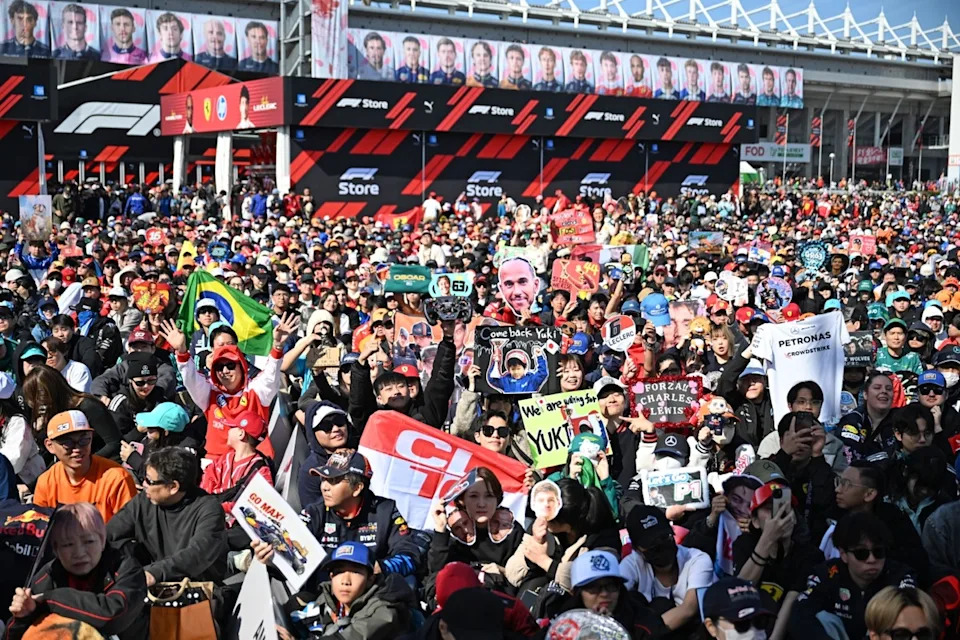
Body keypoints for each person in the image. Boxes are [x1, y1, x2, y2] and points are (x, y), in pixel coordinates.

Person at [160, 314, 296, 461]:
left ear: (241, 365)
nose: (225, 371)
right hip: (216, 462)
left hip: (252, 462)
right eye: (219, 367)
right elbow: (190, 378)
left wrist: (278, 346)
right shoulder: (208, 392)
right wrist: (181, 351)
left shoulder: (256, 389)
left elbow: (271, 374)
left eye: (230, 365)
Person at [6, 503, 148, 640]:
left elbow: (112, 615)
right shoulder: (46, 578)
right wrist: (23, 617)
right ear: (56, 549)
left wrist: (50, 599)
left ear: (103, 541)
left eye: (89, 542)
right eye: (68, 545)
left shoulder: (126, 569)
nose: (79, 553)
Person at [107, 446, 227, 585]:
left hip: (195, 587)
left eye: (150, 481)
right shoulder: (144, 501)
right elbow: (110, 534)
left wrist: (154, 573)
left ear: (172, 487)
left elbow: (197, 554)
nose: (144, 484)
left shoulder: (209, 509)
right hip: (153, 581)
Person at [791, 512, 916, 640]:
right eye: (861, 553)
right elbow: (800, 616)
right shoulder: (827, 573)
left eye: (878, 551)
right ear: (843, 554)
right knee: (823, 618)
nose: (872, 559)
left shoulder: (901, 576)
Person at [619, 505, 715, 633]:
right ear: (637, 549)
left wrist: (646, 633)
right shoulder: (632, 564)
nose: (660, 546)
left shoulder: (697, 559)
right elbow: (615, 599)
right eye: (651, 544)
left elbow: (689, 608)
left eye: (664, 537)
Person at [428, 467, 524, 592]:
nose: (482, 504)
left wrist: (503, 571)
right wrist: (440, 529)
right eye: (473, 496)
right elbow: (436, 572)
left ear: (497, 499)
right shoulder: (454, 531)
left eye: (489, 496)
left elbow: (526, 576)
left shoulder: (511, 530)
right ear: (462, 500)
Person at [33, 409, 137, 523]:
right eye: (67, 443)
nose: (77, 449)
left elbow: (128, 529)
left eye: (84, 440)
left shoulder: (117, 478)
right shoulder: (46, 482)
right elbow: (40, 529)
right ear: (50, 446)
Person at [543, 549, 668, 639]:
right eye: (593, 587)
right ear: (577, 593)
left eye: (611, 586)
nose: (604, 593)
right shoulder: (562, 622)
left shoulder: (644, 622)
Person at [23, 365, 122, 461]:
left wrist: (84, 463)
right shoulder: (55, 412)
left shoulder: (89, 406)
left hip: (100, 466)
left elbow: (115, 443)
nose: (40, 404)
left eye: (40, 397)